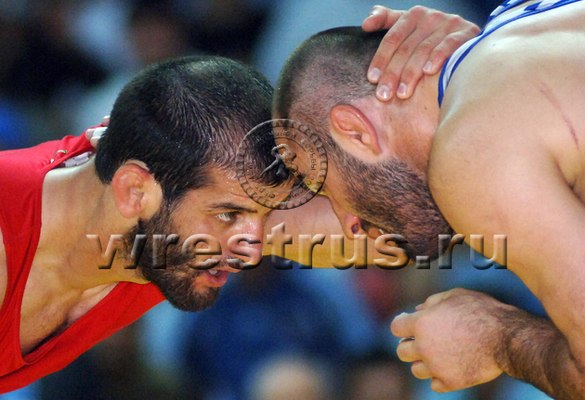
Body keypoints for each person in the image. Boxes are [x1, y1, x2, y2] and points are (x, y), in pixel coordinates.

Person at [0, 9, 479, 392]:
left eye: (260, 215)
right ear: (133, 191)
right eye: (229, 215)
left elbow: (404, 224)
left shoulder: (167, 202)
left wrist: (464, 79)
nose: (252, 251)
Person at [272, 0, 585, 398]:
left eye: (325, 186)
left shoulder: (471, 151)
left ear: (355, 131)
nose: (349, 223)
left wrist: (498, 339)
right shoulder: (526, 18)